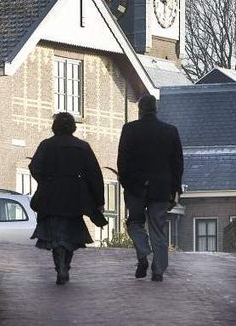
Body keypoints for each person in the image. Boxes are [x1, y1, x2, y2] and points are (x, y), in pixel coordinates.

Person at [29, 111, 105, 285]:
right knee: (71, 234)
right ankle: (65, 266)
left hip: (51, 196)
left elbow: (34, 167)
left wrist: (45, 182)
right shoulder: (83, 147)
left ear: (54, 127)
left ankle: (60, 266)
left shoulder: (46, 145)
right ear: (73, 127)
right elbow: (95, 175)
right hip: (75, 197)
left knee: (56, 235)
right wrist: (99, 201)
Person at [116, 94, 184, 282]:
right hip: (161, 188)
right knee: (158, 228)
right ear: (155, 109)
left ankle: (143, 251)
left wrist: (126, 183)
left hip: (136, 188)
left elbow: (122, 160)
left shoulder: (129, 130)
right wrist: (175, 189)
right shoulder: (170, 131)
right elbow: (177, 163)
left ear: (139, 110)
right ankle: (158, 271)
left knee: (134, 223)